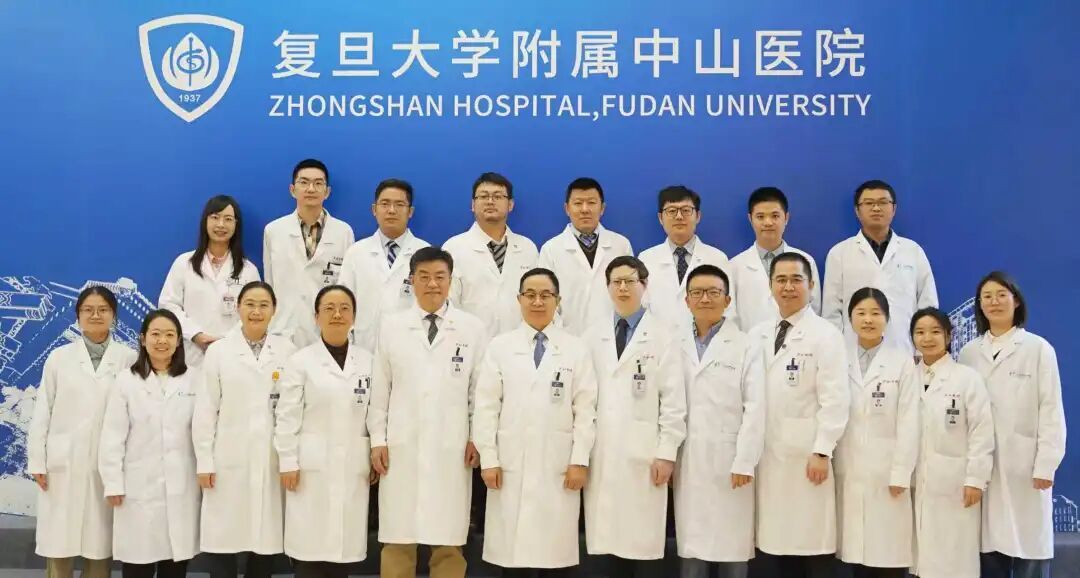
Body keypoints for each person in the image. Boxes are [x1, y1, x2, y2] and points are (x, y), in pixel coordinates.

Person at [368, 247, 489, 578]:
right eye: (424, 277)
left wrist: (477, 437)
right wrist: (378, 439)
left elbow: (479, 392)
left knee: (448, 539)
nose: (432, 284)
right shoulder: (391, 326)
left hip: (452, 445)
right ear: (411, 281)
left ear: (451, 281)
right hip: (401, 445)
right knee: (398, 537)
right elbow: (380, 389)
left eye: (439, 277)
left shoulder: (472, 329)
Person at [472, 268, 598, 577]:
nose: (538, 302)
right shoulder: (500, 347)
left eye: (545, 295)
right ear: (519, 299)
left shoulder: (575, 348)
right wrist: (489, 458)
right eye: (530, 295)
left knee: (555, 557)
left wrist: (579, 460)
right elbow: (486, 407)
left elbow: (585, 410)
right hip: (509, 463)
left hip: (558, 464)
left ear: (558, 300)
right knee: (513, 558)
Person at [957, 272, 1066, 578]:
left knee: (1029, 549)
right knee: (989, 551)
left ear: (1016, 301)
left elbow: (1051, 410)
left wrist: (1046, 465)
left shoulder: (1038, 349)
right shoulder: (968, 353)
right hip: (983, 467)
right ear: (980, 305)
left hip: (1026, 467)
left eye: (1001, 295)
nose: (994, 302)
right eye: (987, 296)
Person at [583, 256, 686, 578]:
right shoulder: (593, 335)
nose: (623, 288)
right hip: (602, 450)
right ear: (607, 287)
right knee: (606, 546)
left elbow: (673, 402)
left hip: (645, 451)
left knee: (641, 546)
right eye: (616, 282)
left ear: (645, 284)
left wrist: (666, 453)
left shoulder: (664, 335)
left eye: (630, 281)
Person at [27, 286, 137, 578]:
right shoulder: (59, 358)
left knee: (98, 547)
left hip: (106, 466)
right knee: (59, 546)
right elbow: (43, 411)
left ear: (113, 315)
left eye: (103, 309)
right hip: (63, 463)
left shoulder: (128, 359)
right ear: (78, 316)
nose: (95, 315)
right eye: (88, 310)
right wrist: (37, 460)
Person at [750, 252, 848, 578]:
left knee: (812, 547)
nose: (788, 287)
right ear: (770, 286)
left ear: (811, 285)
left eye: (796, 280)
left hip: (808, 457)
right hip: (769, 456)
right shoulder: (759, 334)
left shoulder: (826, 335)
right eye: (781, 280)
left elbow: (835, 400)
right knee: (779, 549)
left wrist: (822, 450)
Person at [192, 282, 297, 578]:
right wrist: (204, 460)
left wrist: (290, 458)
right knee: (224, 538)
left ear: (274, 310)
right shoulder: (219, 352)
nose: (256, 311)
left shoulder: (287, 352)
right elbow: (205, 410)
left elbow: (292, 410)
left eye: (264, 305)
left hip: (270, 457)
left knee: (264, 539)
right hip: (228, 457)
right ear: (238, 308)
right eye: (250, 304)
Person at [274, 285, 376, 577]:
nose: (337, 314)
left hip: (353, 465)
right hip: (310, 468)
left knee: (342, 554)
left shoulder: (368, 362)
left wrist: (372, 453)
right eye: (329, 308)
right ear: (316, 317)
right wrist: (288, 461)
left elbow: (375, 413)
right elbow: (287, 417)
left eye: (344, 308)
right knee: (310, 549)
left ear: (354, 317)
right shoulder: (300, 361)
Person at [674, 265, 764, 578]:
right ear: (687, 300)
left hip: (731, 461)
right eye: (697, 292)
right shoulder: (674, 342)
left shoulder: (746, 344)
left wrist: (745, 460)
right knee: (693, 552)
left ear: (727, 300)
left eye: (714, 292)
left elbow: (756, 406)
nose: (705, 299)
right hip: (689, 459)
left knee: (731, 551)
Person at [98, 310, 201, 578]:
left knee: (175, 565)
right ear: (143, 339)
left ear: (178, 341)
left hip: (182, 485)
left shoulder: (195, 379)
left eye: (169, 335)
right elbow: (112, 437)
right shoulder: (126, 381)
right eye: (155, 334)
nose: (162, 341)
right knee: (137, 565)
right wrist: (113, 482)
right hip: (138, 489)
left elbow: (203, 431)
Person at [833, 288, 919, 578]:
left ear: (887, 318)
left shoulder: (902, 363)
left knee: (886, 556)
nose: (868, 320)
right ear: (850, 319)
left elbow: (910, 422)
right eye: (861, 313)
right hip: (848, 468)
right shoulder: (838, 359)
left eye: (875, 313)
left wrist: (901, 473)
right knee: (853, 555)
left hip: (888, 473)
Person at [909, 308, 994, 578]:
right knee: (919, 558)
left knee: (954, 559)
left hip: (955, 483)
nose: (927, 338)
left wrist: (975, 479)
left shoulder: (967, 379)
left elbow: (981, 432)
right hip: (914, 482)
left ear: (948, 336)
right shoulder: (907, 378)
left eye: (935, 331)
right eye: (920, 332)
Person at [822, 180, 937, 352]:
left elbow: (928, 304)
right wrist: (837, 353)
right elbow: (831, 312)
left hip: (904, 349)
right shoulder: (839, 253)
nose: (876, 208)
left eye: (883, 202)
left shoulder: (913, 251)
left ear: (894, 209)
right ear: (857, 211)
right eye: (869, 203)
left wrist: (921, 352)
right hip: (853, 352)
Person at [264, 158, 355, 348]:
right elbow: (269, 284)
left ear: (327, 192)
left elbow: (348, 287)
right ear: (292, 189)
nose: (311, 189)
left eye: (318, 183)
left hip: (328, 331)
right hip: (283, 331)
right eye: (304, 182)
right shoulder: (274, 231)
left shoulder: (343, 232)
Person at [159, 195, 260, 367]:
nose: (221, 224)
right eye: (215, 217)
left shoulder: (248, 270)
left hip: (234, 355)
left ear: (236, 225)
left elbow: (255, 312)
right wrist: (195, 334)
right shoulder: (184, 263)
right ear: (205, 222)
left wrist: (225, 340)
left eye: (228, 219)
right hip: (191, 354)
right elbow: (168, 305)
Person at [338, 178, 429, 351]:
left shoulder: (425, 253)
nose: (391, 210)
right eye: (385, 204)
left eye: (399, 204)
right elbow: (343, 303)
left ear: (410, 211)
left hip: (413, 350)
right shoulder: (356, 253)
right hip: (363, 349)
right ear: (374, 209)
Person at [445, 172, 540, 337]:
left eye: (498, 196)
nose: (490, 201)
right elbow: (448, 304)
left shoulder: (527, 248)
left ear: (510, 204)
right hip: (470, 343)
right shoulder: (453, 248)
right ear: (473, 205)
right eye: (483, 196)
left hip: (520, 344)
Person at [538, 178, 633, 335]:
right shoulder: (551, 249)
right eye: (578, 203)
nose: (585, 209)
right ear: (567, 208)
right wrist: (559, 336)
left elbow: (632, 293)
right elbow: (544, 298)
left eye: (591, 203)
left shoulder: (621, 245)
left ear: (602, 208)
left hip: (613, 337)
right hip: (567, 338)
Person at [638, 185, 736, 332]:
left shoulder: (717, 258)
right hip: (657, 342)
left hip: (705, 342)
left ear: (698, 216)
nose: (679, 216)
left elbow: (728, 311)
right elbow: (640, 309)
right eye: (672, 211)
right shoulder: (646, 259)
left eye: (686, 210)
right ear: (660, 218)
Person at [728, 187, 820, 332]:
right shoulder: (734, 266)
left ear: (786, 218)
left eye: (775, 216)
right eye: (760, 217)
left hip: (798, 341)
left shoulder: (806, 261)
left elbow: (814, 309)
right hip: (750, 343)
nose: (768, 222)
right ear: (750, 219)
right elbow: (730, 315)